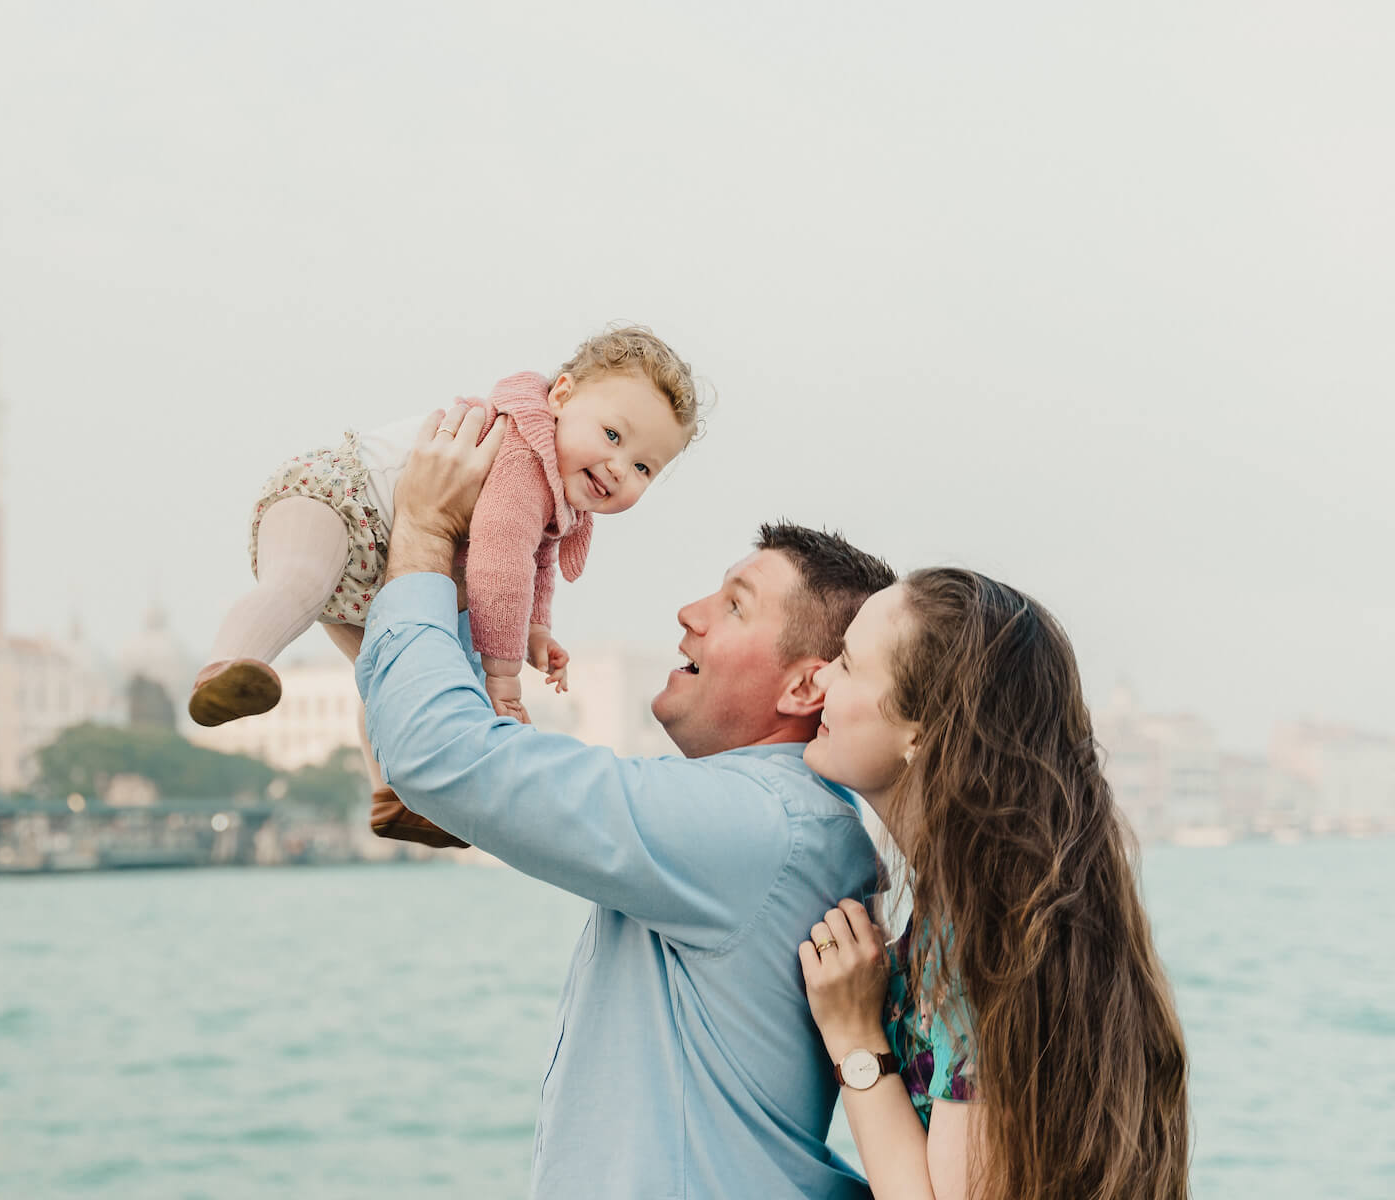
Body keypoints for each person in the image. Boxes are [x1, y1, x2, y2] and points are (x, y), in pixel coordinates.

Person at [355, 404, 897, 1199]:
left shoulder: (758, 825)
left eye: (736, 605)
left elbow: (439, 752)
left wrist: (427, 530)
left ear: (806, 683)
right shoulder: (790, 821)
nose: (691, 613)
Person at [188, 325, 699, 847]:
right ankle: (229, 667)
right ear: (561, 397)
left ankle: (396, 796)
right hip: (335, 504)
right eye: (613, 436)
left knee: (395, 672)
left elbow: (536, 563)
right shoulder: (523, 454)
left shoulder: (559, 487)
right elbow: (501, 565)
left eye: (643, 467)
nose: (619, 468)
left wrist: (537, 631)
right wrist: (502, 682)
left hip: (380, 567)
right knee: (298, 583)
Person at [797, 569, 1191, 1200]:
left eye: (846, 664)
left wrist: (854, 1036)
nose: (817, 677)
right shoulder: (1011, 901)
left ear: (922, 730)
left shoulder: (987, 939)